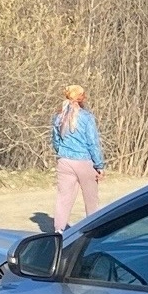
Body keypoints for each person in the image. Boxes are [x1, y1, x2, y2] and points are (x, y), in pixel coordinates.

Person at [51, 85, 105, 232]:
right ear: (81, 98)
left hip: (64, 162)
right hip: (84, 162)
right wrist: (99, 165)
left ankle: (58, 232)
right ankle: (93, 230)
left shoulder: (58, 116)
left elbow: (55, 141)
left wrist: (62, 153)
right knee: (91, 200)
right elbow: (93, 143)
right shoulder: (86, 117)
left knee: (63, 199)